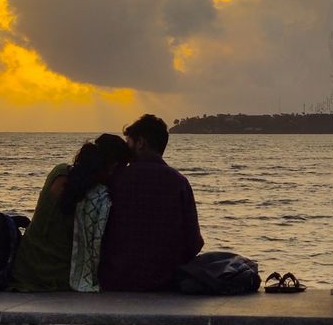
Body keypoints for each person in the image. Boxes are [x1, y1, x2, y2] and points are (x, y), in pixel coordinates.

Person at [10, 133, 131, 291]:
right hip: (58, 278)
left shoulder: (58, 171)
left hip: (24, 269)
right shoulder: (97, 198)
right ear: (113, 166)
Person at [99, 113, 203, 291]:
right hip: (166, 281)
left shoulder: (116, 180)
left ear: (140, 143)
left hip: (118, 278)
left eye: (129, 142)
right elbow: (194, 242)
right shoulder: (179, 182)